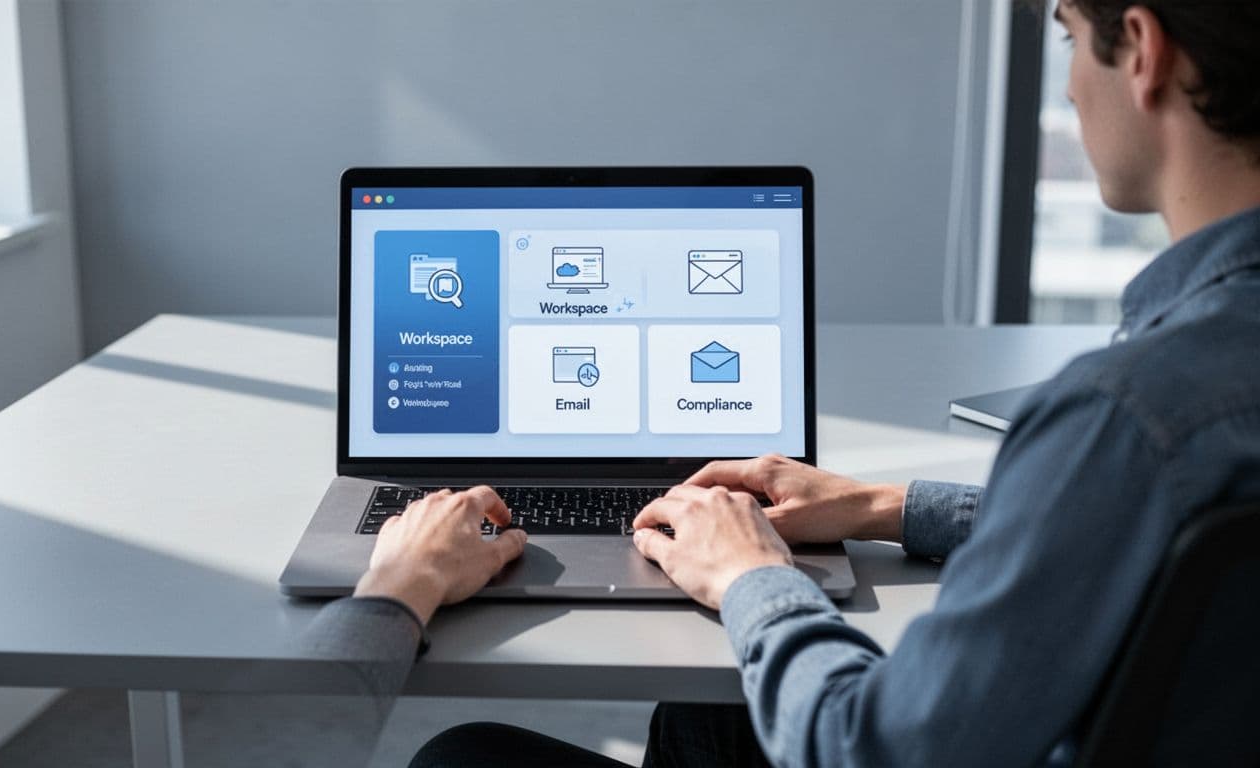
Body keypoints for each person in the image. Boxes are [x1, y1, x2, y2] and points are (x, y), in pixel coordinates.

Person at [401, 0, 1260, 765]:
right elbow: (1119, 524)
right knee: (708, 707)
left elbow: (866, 744)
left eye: (1070, 38)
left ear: (1142, 50)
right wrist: (886, 506)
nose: (1070, 88)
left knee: (460, 758)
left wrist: (747, 573)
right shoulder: (1161, 422)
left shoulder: (1121, 415)